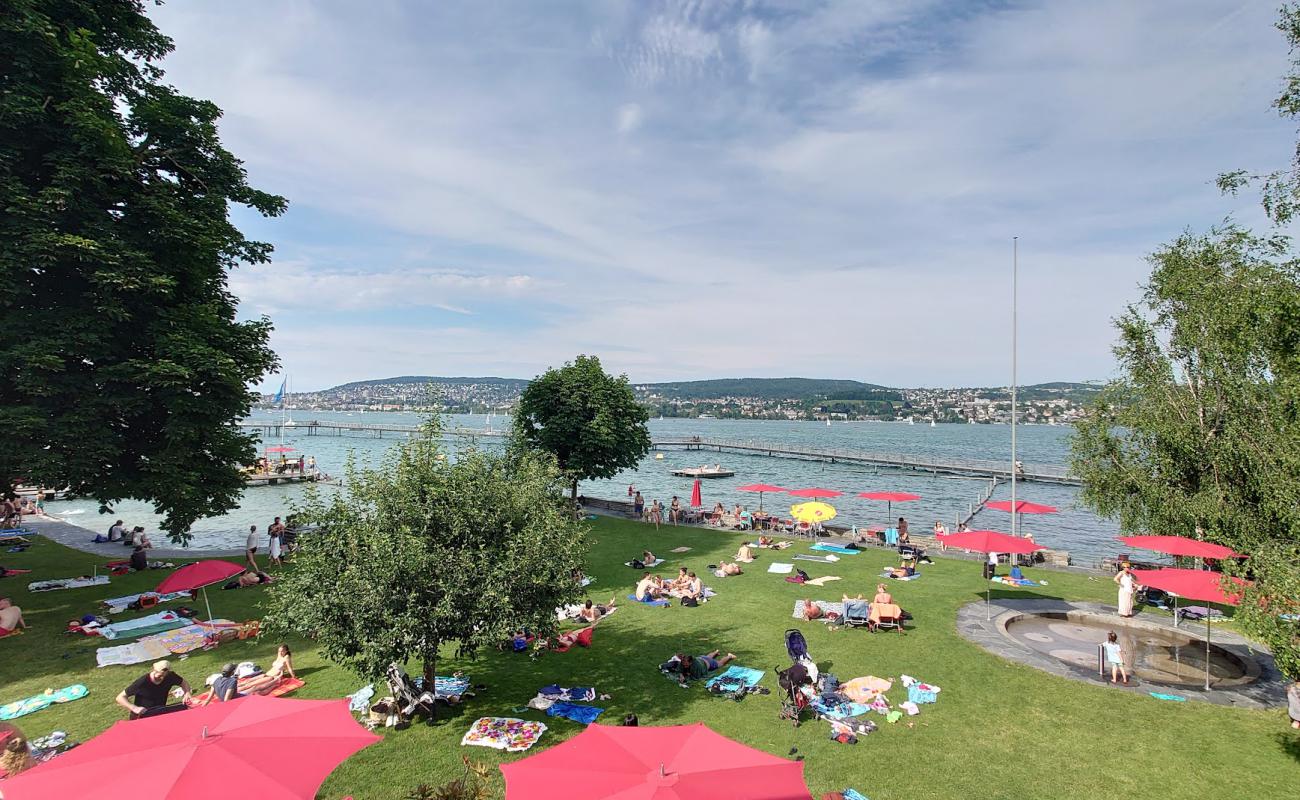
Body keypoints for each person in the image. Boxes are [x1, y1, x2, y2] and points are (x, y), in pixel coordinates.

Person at [117, 660, 191, 719]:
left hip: (160, 712)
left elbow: (183, 683)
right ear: (154, 670)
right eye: (159, 675)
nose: (161, 678)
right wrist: (134, 708)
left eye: (164, 676)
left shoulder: (170, 676)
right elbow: (120, 697)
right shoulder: (143, 682)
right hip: (142, 715)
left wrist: (187, 693)